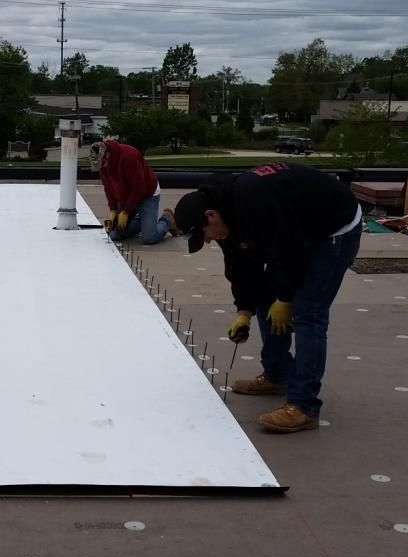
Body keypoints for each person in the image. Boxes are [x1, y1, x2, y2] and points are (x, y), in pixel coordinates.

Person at [173, 163, 362, 433]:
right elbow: (240, 265)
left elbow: (293, 250)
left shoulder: (255, 202)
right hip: (296, 232)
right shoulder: (227, 212)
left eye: (204, 236)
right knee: (265, 299)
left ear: (210, 216)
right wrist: (244, 311)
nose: (209, 241)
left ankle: (304, 407)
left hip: (333, 227)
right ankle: (277, 374)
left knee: (308, 314)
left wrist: (285, 298)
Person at [93, 139, 178, 244]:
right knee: (114, 234)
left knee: (149, 238)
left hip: (147, 194)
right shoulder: (103, 165)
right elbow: (108, 187)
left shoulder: (129, 157)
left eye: (103, 163)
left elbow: (139, 188)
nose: (102, 168)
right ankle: (141, 221)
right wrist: (113, 209)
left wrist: (126, 211)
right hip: (126, 197)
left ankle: (167, 220)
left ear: (108, 155)